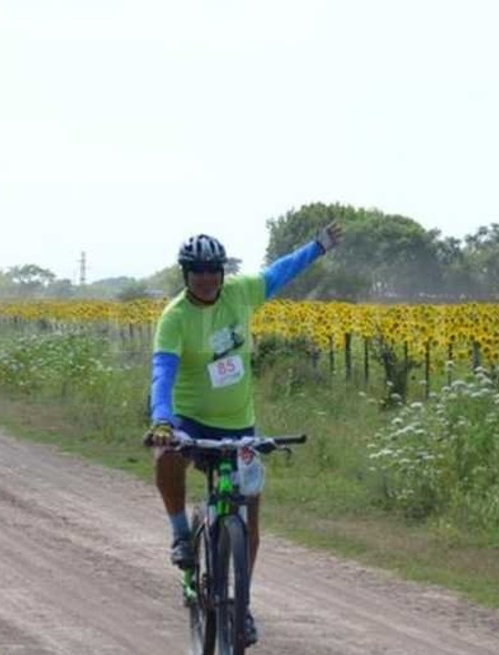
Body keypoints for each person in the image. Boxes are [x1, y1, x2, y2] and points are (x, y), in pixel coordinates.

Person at [145, 223, 343, 645]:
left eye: (212, 270)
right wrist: (162, 421)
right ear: (186, 274)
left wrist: (318, 247)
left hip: (238, 424)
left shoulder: (240, 293)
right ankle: (181, 533)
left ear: (222, 271)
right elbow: (163, 373)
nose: (206, 278)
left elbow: (281, 271)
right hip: (189, 420)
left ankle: (242, 604)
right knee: (166, 457)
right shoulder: (175, 317)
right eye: (197, 271)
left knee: (249, 515)